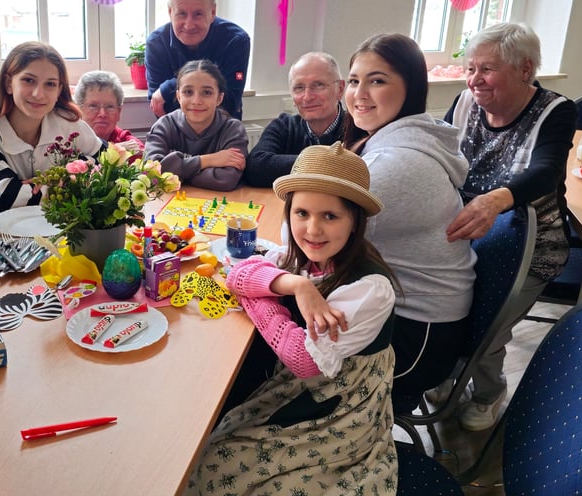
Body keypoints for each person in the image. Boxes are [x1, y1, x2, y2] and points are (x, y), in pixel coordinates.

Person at [184, 142, 398, 495]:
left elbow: (302, 358)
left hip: (341, 400)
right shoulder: (304, 255)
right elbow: (238, 275)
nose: (312, 229)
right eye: (302, 213)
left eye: (330, 216)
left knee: (214, 466)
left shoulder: (369, 290)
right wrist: (296, 285)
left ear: (355, 220)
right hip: (297, 382)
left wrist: (261, 294)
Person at [437, 22, 577, 431]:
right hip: (464, 234)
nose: (474, 80)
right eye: (470, 68)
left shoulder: (555, 110)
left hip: (530, 243)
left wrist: (495, 199)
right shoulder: (465, 102)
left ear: (525, 68)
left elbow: (546, 171)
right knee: (443, 306)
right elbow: (439, 156)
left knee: (488, 322)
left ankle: (487, 391)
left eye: (487, 69)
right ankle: (449, 373)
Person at [344, 33, 477, 415]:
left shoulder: (398, 164)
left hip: (416, 339)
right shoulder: (399, 142)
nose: (360, 93)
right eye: (354, 80)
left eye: (378, 80)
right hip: (412, 317)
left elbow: (310, 243)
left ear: (411, 87)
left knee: (263, 335)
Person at [0, 41, 103, 226]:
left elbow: (108, 167)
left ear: (59, 90)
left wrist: (67, 175)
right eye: (28, 80)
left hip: (58, 232)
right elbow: (5, 203)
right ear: (8, 83)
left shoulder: (67, 122)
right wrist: (68, 187)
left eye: (50, 84)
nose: (39, 94)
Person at [244, 51, 367, 187]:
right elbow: (255, 168)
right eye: (299, 88)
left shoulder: (360, 127)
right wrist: (330, 162)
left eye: (318, 85)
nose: (307, 97)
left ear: (340, 89)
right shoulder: (284, 125)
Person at [145, 0, 250, 119]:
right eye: (181, 13)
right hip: (174, 134)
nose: (189, 25)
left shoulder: (235, 40)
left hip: (224, 134)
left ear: (212, 12)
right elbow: (158, 104)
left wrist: (170, 87)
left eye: (198, 14)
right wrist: (209, 89)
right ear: (170, 12)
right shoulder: (156, 44)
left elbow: (229, 103)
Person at [144, 60, 248, 191]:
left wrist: (175, 170)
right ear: (178, 96)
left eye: (207, 93)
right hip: (170, 203)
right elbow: (150, 173)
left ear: (219, 98)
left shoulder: (233, 130)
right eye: (188, 92)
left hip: (219, 204)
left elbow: (226, 179)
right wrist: (206, 161)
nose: (196, 101)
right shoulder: (164, 125)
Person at [74, 70, 144, 154]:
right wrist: (115, 151)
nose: (102, 114)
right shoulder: (68, 143)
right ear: (79, 110)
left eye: (110, 107)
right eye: (93, 106)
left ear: (119, 112)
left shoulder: (130, 145)